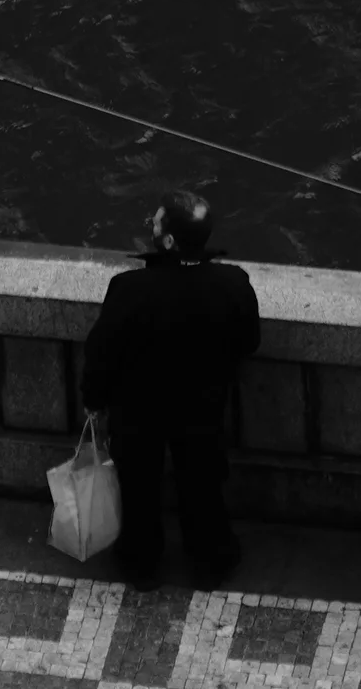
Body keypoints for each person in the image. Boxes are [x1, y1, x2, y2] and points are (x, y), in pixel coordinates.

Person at [78, 187, 260, 589]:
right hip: (202, 404)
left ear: (169, 240)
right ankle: (211, 562)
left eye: (156, 222)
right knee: (202, 483)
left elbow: (101, 351)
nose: (152, 225)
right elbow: (249, 342)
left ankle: (141, 564)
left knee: (139, 486)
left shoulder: (129, 289)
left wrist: (94, 399)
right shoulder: (233, 283)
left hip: (139, 408)